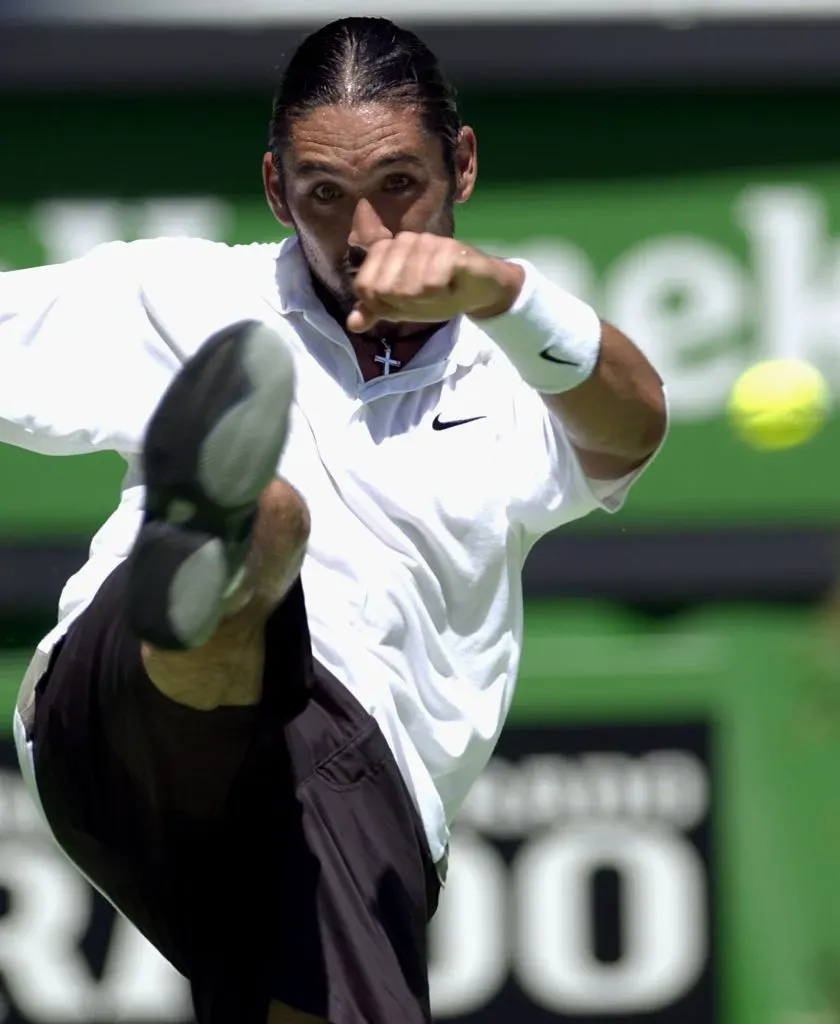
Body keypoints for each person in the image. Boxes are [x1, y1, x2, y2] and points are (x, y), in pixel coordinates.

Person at [0, 16, 667, 1024]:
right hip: (112, 726)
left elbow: (635, 427)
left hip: (354, 789)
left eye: (400, 184)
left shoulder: (522, 361)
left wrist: (506, 291)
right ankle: (220, 544)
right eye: (324, 195)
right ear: (277, 190)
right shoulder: (178, 294)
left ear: (464, 164)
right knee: (271, 521)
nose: (365, 235)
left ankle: (230, 542)